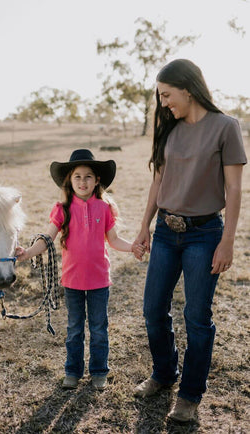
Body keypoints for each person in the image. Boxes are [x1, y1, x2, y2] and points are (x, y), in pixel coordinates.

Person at [133, 59, 247, 422]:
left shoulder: (226, 127)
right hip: (167, 232)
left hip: (204, 234)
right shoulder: (169, 129)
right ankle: (164, 375)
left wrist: (227, 242)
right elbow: (157, 181)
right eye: (160, 97)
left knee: (197, 316)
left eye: (167, 94)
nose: (164, 102)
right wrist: (144, 227)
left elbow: (234, 188)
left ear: (187, 87)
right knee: (153, 310)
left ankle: (190, 395)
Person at [16, 149, 144, 391]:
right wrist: (28, 253)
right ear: (69, 180)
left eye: (88, 177)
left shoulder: (104, 208)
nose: (83, 182)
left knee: (98, 328)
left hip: (99, 281)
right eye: (77, 177)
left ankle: (98, 372)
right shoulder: (62, 209)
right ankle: (72, 372)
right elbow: (47, 239)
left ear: (97, 181)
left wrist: (134, 248)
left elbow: (114, 240)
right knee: (75, 329)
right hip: (72, 281)